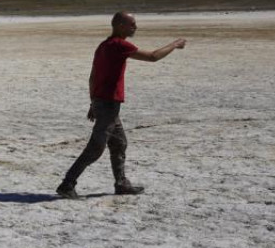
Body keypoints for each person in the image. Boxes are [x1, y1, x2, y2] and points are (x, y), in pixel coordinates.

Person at [57, 12, 186, 198]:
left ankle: (121, 183)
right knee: (95, 148)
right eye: (131, 24)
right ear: (119, 25)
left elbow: (93, 77)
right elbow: (153, 57)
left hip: (105, 103)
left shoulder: (103, 46)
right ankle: (67, 184)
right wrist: (174, 44)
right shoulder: (119, 45)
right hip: (108, 104)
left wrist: (93, 102)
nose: (135, 27)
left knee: (119, 143)